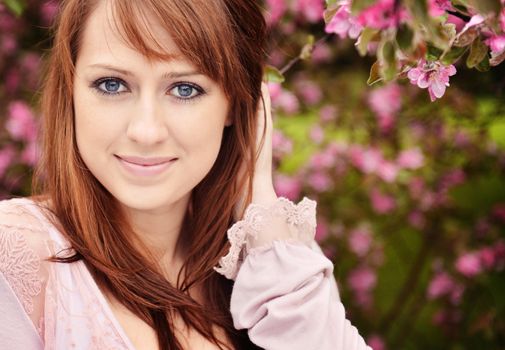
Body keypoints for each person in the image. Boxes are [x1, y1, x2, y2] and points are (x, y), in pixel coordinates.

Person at [0, 0, 371, 349]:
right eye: (112, 84)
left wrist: (259, 198)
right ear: (72, 91)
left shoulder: (275, 263)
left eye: (184, 88)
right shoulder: (17, 255)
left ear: (238, 104)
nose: (146, 131)